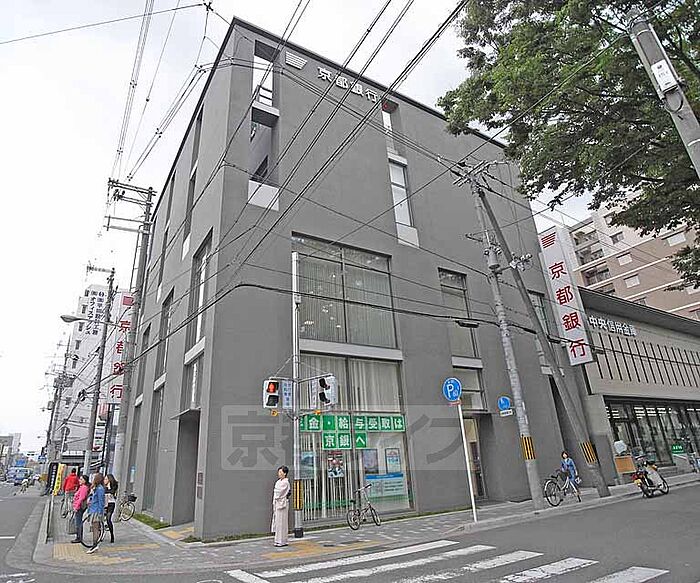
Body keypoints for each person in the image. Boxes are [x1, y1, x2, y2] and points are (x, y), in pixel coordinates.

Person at [271, 466, 290, 547]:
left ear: (285, 473)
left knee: (282, 522)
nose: (279, 474)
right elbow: (276, 491)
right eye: (279, 472)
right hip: (277, 503)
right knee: (278, 522)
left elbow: (279, 492)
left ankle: (282, 541)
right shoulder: (278, 482)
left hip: (282, 503)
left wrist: (276, 492)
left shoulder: (285, 482)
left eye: (281, 472)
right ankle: (278, 540)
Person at [86, 473, 105, 554]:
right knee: (94, 528)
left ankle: (95, 545)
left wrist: (100, 513)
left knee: (95, 529)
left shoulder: (100, 489)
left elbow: (101, 502)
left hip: (96, 511)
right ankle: (95, 545)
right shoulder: (96, 488)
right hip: (93, 510)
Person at [70, 475, 90, 544]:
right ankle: (78, 537)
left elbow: (81, 498)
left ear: (85, 480)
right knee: (78, 522)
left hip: (79, 507)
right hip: (78, 506)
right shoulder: (82, 487)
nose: (79, 480)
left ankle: (79, 537)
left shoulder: (84, 487)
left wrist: (76, 507)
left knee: (78, 522)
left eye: (81, 479)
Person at [103, 474, 118, 543]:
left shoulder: (114, 486)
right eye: (104, 479)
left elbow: (112, 492)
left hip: (111, 503)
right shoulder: (103, 486)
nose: (104, 480)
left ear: (109, 480)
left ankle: (112, 535)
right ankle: (101, 534)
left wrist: (108, 486)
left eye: (106, 479)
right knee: (101, 519)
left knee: (108, 519)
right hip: (104, 504)